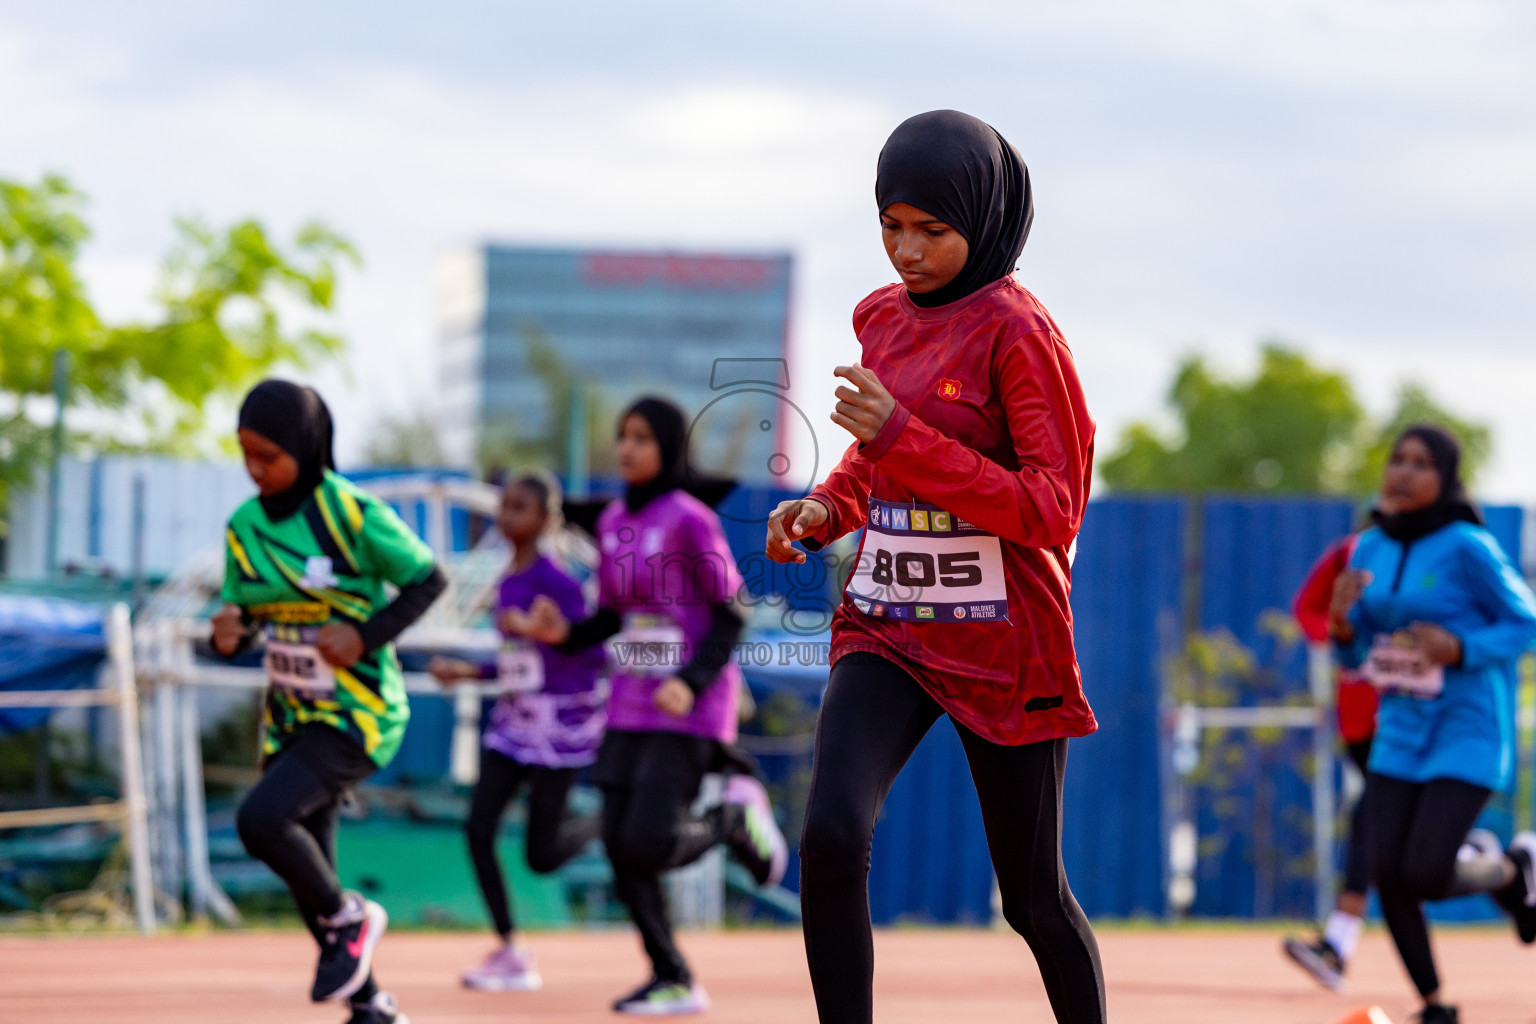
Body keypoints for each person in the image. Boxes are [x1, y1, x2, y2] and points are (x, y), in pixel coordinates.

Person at [765, 109, 1104, 1024]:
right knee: (833, 833)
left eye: (931, 230)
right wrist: (826, 507)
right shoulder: (881, 319)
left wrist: (903, 437)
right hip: (888, 625)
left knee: (1032, 900)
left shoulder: (1020, 334)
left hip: (1004, 644)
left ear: (984, 220)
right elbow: (874, 461)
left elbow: (1050, 508)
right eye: (890, 224)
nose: (905, 251)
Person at [509, 396, 789, 1016]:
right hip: (629, 705)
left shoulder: (690, 519)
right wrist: (565, 633)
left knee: (648, 840)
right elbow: (613, 615)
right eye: (622, 436)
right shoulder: (611, 521)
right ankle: (673, 976)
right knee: (618, 842)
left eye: (642, 437)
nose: (627, 448)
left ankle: (731, 819)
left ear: (670, 449)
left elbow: (731, 613)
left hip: (688, 706)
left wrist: (690, 681)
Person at [211, 380, 446, 1024]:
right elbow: (249, 614)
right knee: (307, 868)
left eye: (268, 456)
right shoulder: (244, 528)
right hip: (290, 716)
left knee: (261, 822)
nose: (255, 470)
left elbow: (429, 579)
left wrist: (364, 634)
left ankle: (354, 915)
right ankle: (373, 1006)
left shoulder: (352, 514)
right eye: (245, 454)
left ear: (307, 447)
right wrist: (228, 634)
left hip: (356, 713)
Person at [1330, 425, 1536, 1024]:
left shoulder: (1467, 545)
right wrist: (1344, 627)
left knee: (1421, 870)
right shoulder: (1366, 548)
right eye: (1398, 459)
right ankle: (1434, 1006)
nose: (1404, 472)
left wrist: (1460, 647)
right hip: (1400, 729)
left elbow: (1525, 622)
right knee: (1385, 869)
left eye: (1421, 463)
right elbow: (1355, 656)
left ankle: (1513, 870)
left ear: (1445, 478)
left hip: (1467, 728)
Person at [428, 470, 607, 991]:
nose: (507, 518)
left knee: (542, 855)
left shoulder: (559, 583)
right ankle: (510, 949)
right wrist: (467, 672)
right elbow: (517, 661)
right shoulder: (507, 579)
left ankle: (604, 820)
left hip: (559, 731)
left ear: (547, 519)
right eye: (504, 507)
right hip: (512, 725)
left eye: (520, 508)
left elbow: (591, 652)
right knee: (478, 829)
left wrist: (552, 635)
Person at [1284, 530, 1378, 990]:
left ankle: (1338, 946)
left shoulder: (1456, 549)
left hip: (1426, 718)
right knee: (1390, 825)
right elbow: (1309, 607)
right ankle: (1502, 866)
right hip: (1364, 715)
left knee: (1375, 819)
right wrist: (1343, 641)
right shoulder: (1356, 550)